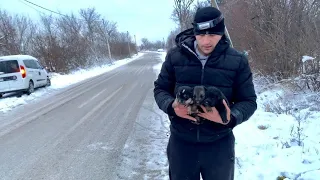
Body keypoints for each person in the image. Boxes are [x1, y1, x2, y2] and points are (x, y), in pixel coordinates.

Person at [153, 6, 257, 180]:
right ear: (194, 32)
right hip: (182, 144)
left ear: (222, 33)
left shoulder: (237, 61)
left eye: (213, 35)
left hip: (219, 145)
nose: (206, 41)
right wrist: (172, 107)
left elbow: (248, 101)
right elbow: (160, 89)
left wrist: (229, 118)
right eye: (201, 35)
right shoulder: (175, 57)